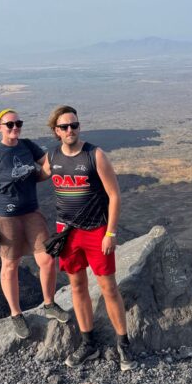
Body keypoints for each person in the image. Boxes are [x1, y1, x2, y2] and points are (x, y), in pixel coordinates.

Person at [44, 105, 135, 370]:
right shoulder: (52, 157)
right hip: (67, 233)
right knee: (77, 287)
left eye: (74, 125)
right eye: (64, 127)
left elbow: (115, 195)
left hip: (96, 231)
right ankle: (88, 344)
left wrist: (111, 232)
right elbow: (31, 175)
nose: (70, 130)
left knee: (108, 287)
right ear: (56, 131)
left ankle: (124, 344)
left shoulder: (95, 156)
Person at [0, 109, 69, 337]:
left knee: (48, 260)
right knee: (10, 265)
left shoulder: (28, 146)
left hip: (31, 213)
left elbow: (42, 170)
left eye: (18, 123)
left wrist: (56, 161)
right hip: (5, 216)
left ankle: (49, 304)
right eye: (9, 124)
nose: (14, 127)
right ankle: (16, 314)